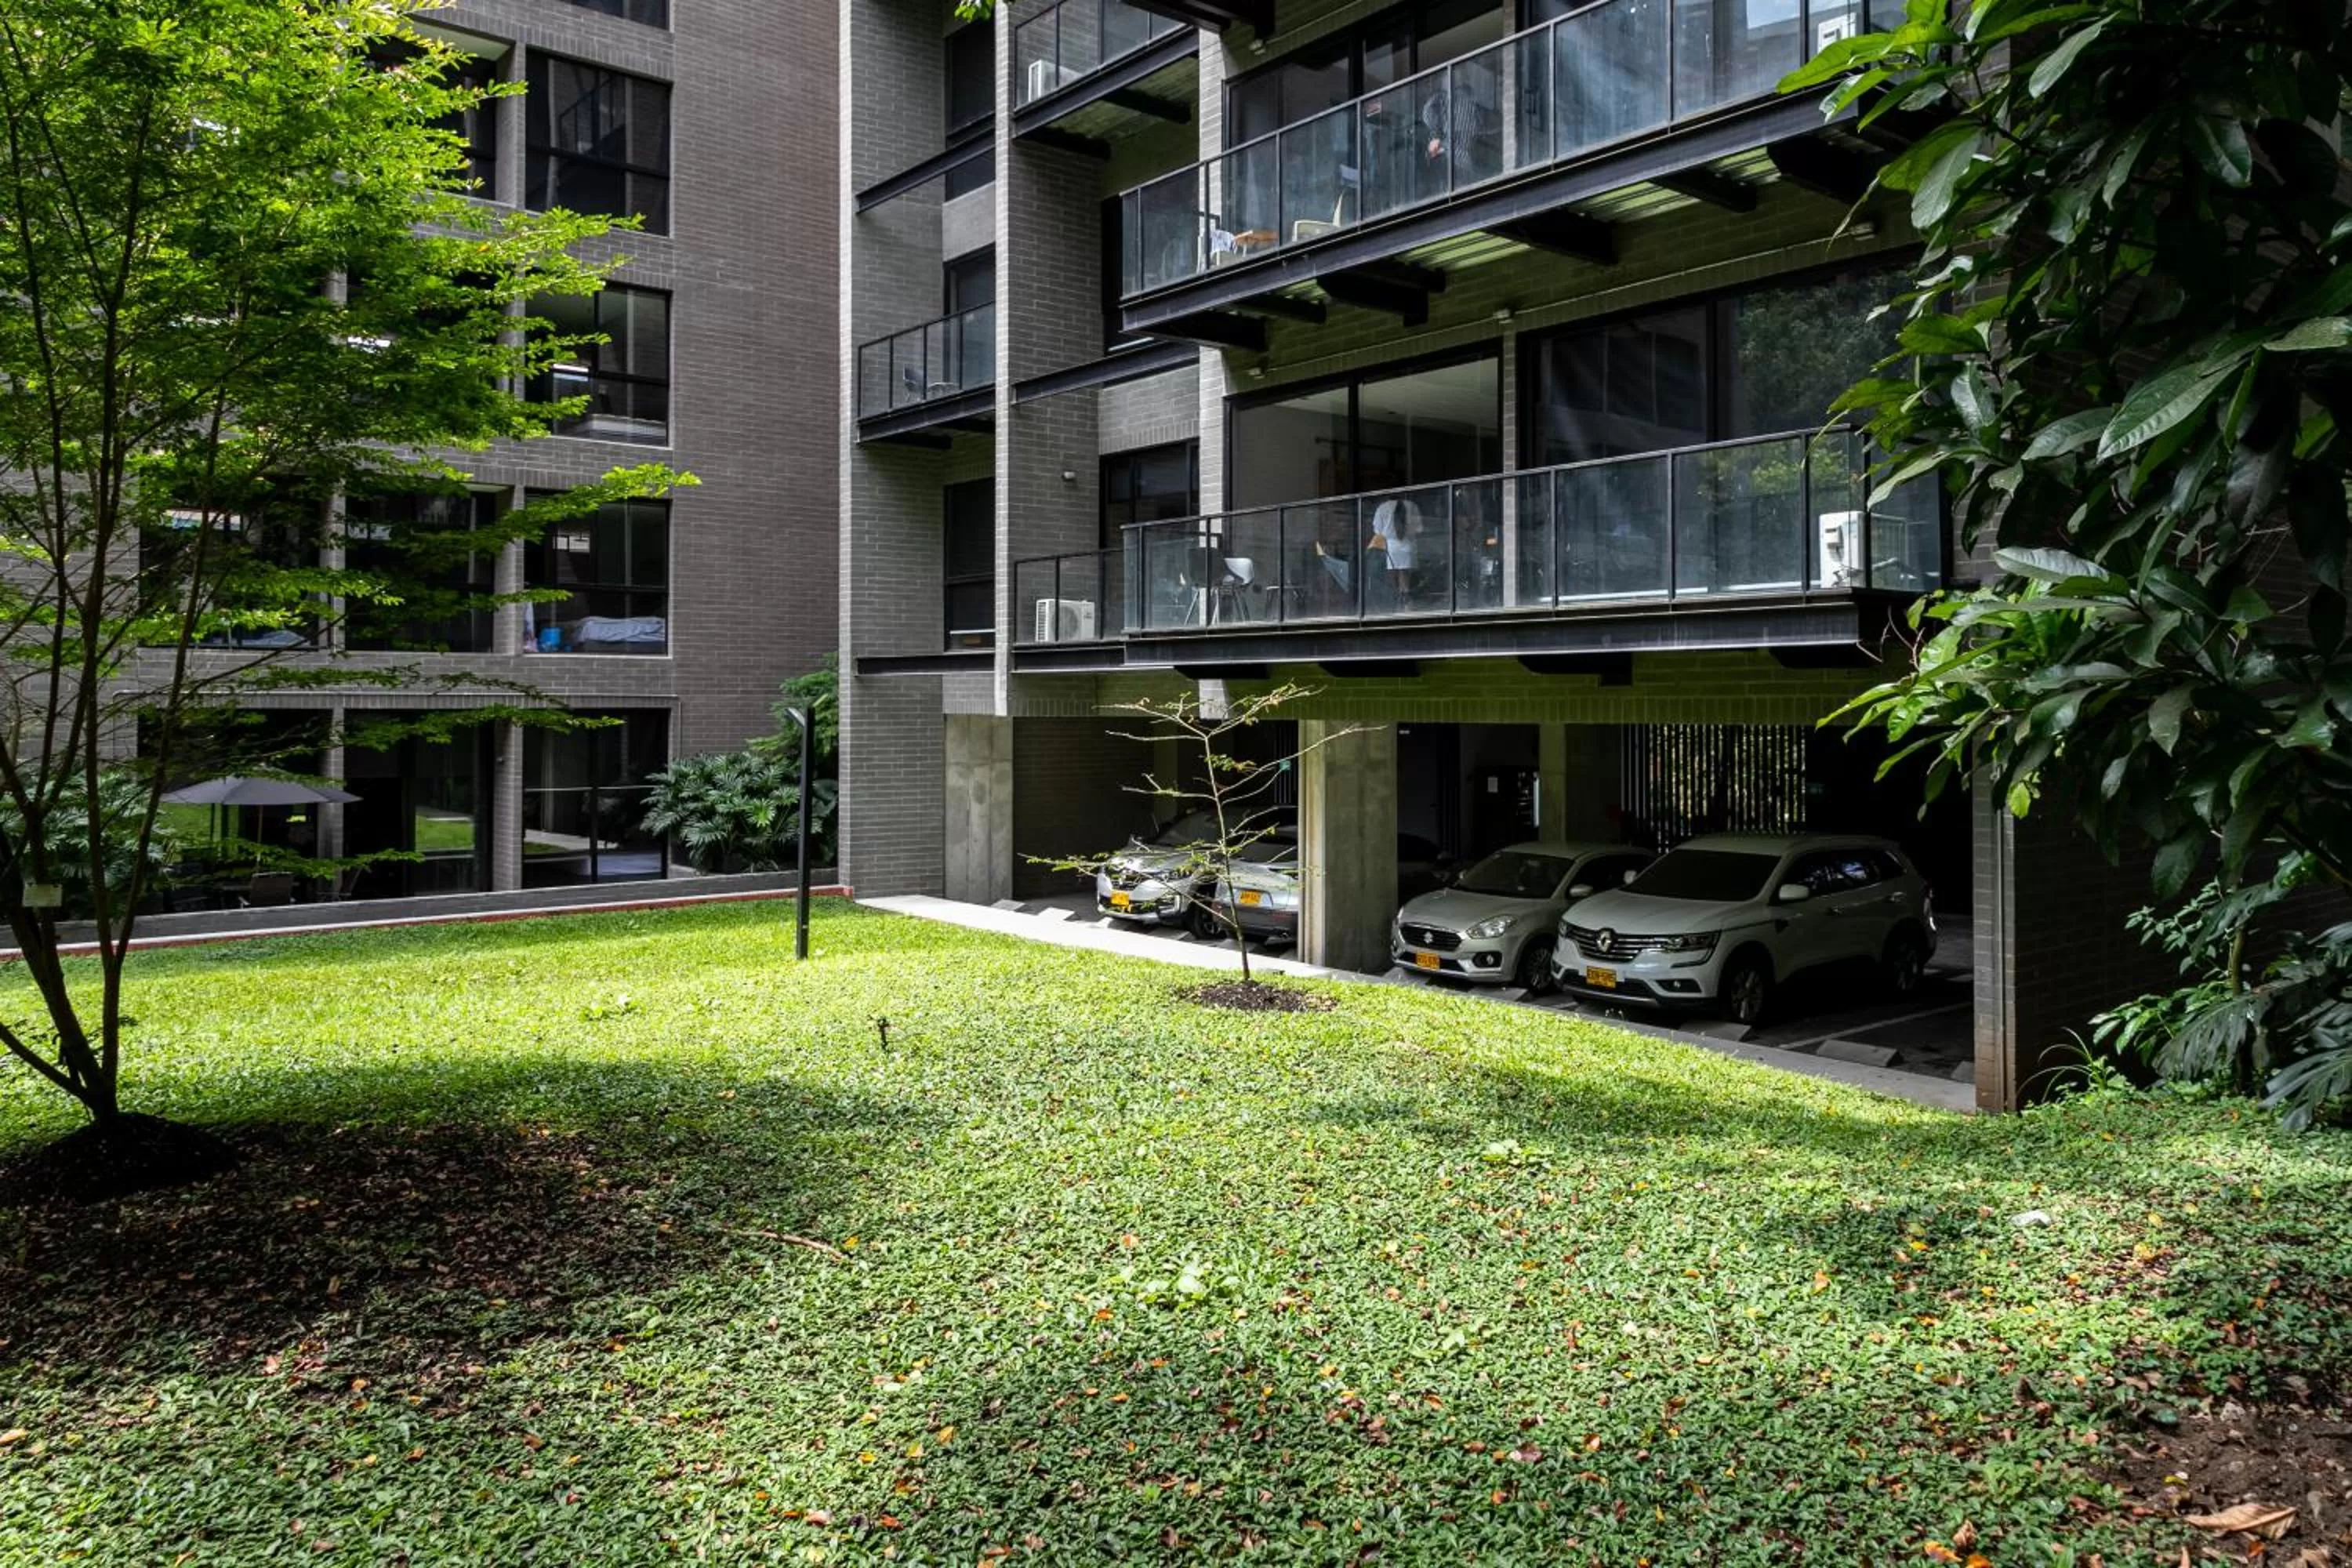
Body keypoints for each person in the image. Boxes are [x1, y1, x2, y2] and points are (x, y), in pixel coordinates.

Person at [1367, 495, 1421, 609]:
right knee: (1405, 575)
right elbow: (1418, 528)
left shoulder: (1382, 507)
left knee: (1393, 574)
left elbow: (1378, 530)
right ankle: (1405, 600)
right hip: (1408, 544)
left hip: (1391, 545)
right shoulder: (1412, 505)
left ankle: (1397, 599)